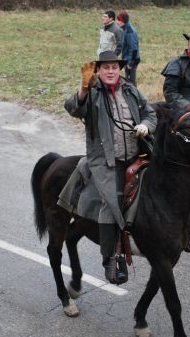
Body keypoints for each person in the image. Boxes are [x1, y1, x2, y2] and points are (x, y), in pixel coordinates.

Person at [64, 50, 157, 285]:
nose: (111, 71)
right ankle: (111, 258)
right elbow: (73, 108)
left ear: (120, 69)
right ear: (98, 70)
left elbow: (150, 113)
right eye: (106, 67)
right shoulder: (93, 93)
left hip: (136, 154)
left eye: (114, 67)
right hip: (106, 160)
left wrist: (146, 125)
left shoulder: (131, 90)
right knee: (111, 202)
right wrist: (84, 88)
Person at [116, 10, 140, 85]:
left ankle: (135, 96)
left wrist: (130, 63)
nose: (117, 22)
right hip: (127, 59)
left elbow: (134, 49)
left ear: (123, 21)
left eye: (119, 20)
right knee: (128, 81)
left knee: (131, 82)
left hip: (132, 60)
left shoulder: (130, 32)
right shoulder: (125, 29)